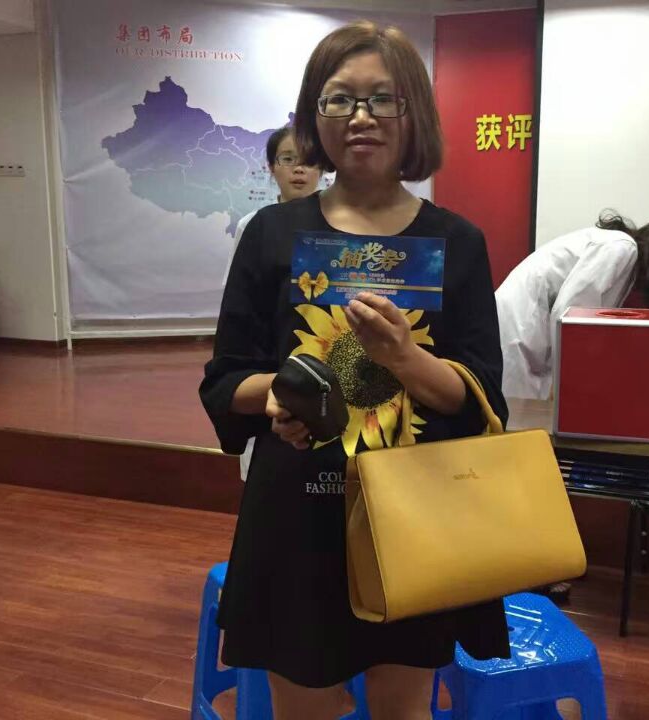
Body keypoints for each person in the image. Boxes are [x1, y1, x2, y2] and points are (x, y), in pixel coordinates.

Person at [200, 20, 509, 720]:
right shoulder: (273, 235)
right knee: (303, 707)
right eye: (339, 98)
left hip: (417, 512)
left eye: (382, 99)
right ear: (315, 115)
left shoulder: (457, 242)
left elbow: (480, 396)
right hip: (298, 517)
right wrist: (278, 394)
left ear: (413, 113)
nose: (360, 117)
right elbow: (225, 380)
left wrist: (403, 357)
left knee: (405, 707)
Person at [496, 211, 649, 401]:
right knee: (516, 415)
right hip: (520, 325)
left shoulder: (625, 258)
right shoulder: (621, 248)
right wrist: (562, 379)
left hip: (530, 329)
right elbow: (570, 315)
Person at [225, 128, 322, 481]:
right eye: (288, 159)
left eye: (308, 161)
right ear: (271, 167)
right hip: (269, 350)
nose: (299, 169)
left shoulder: (334, 226)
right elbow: (239, 296)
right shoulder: (255, 225)